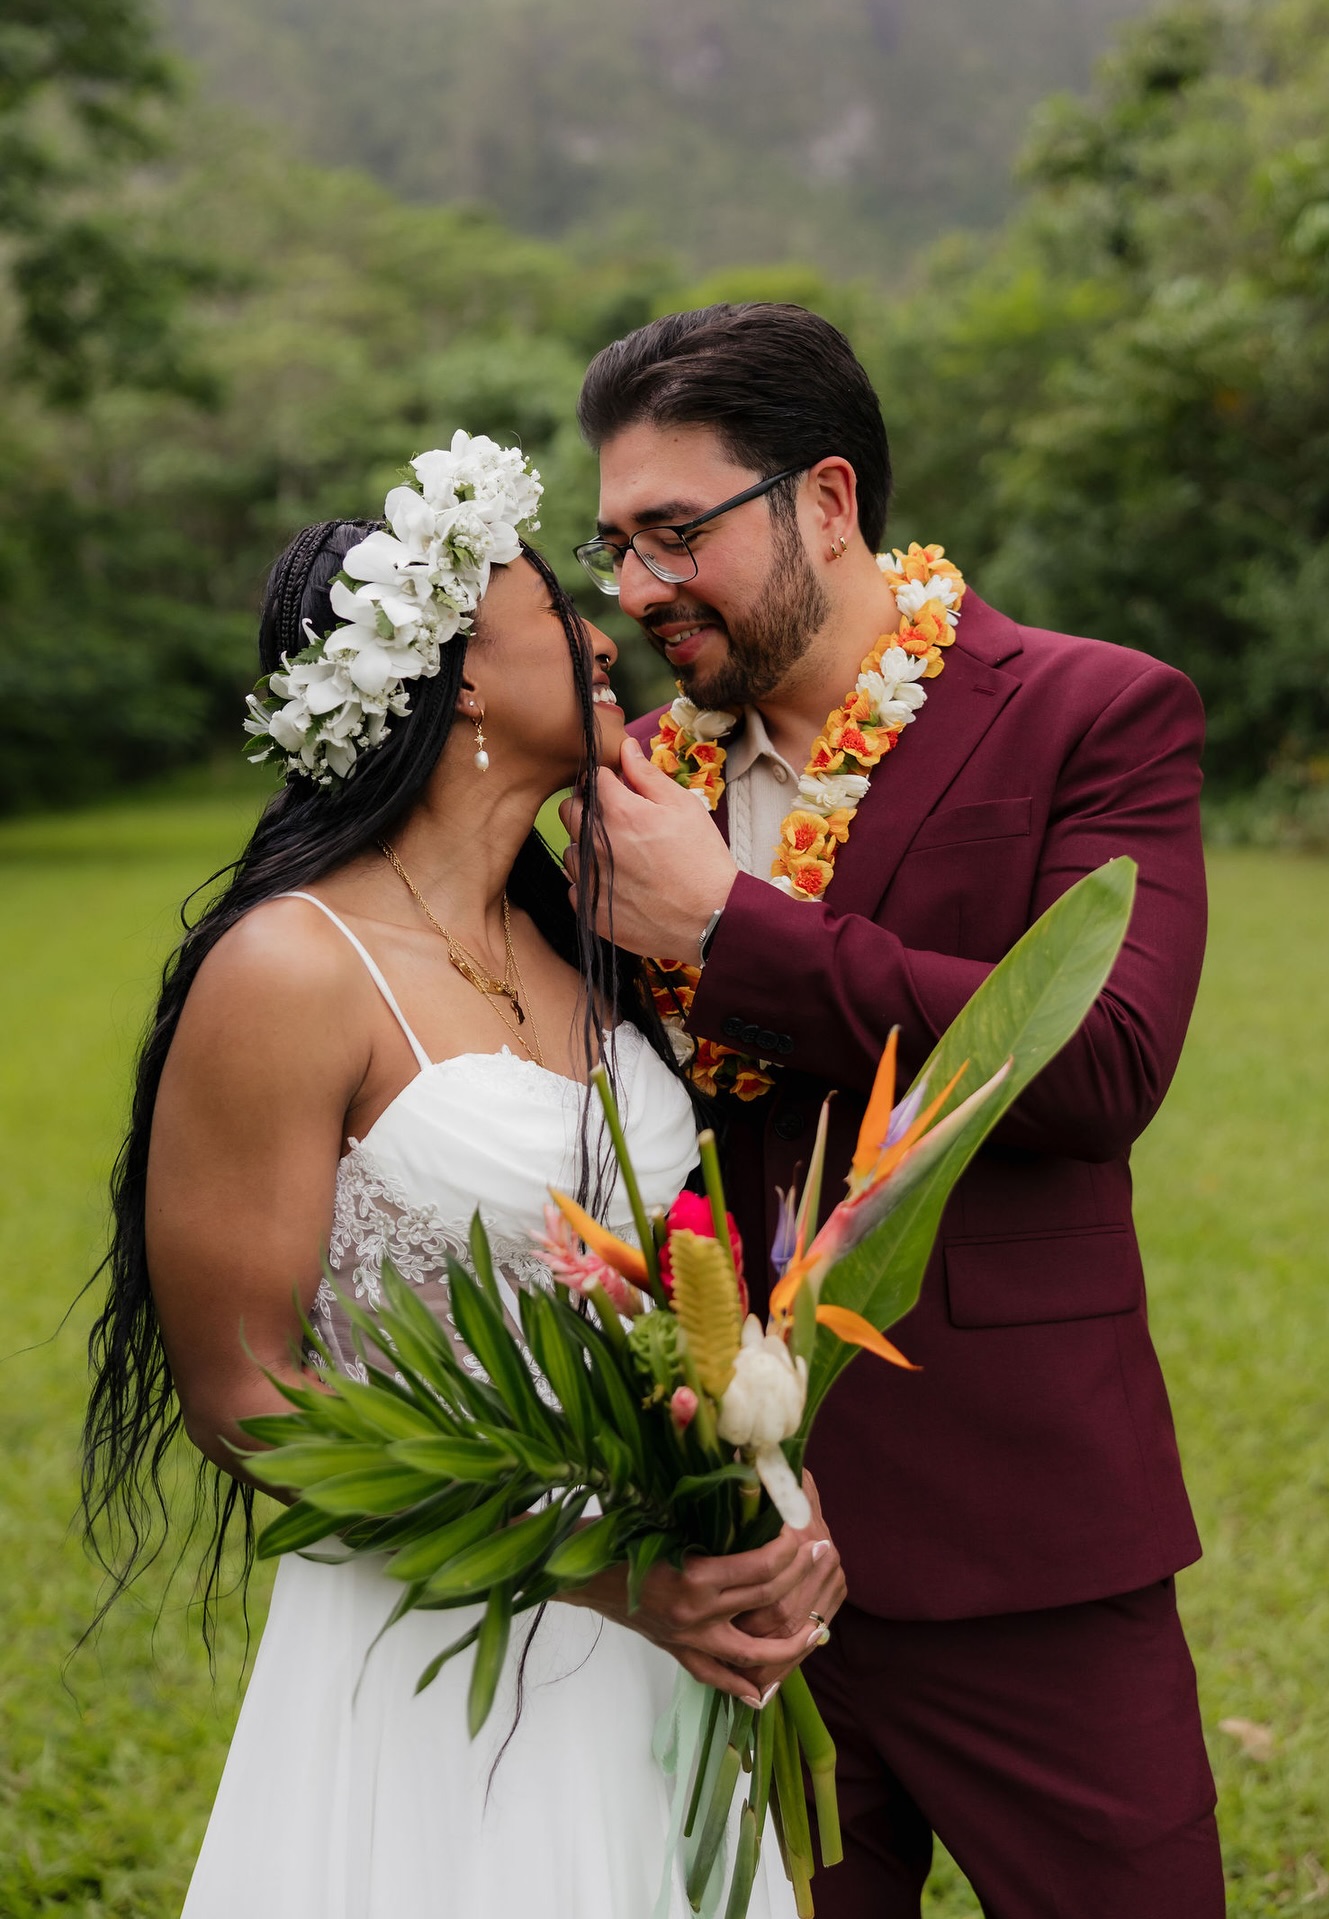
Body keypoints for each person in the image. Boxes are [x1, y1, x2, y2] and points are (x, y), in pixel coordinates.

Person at [80, 432, 843, 1918]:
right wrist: (606, 1583)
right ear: (465, 677)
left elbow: (676, 1288)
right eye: (558, 607)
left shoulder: (588, 950)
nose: (609, 626)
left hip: (663, 1638)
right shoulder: (293, 969)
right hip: (447, 1644)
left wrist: (756, 1492)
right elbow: (247, 1404)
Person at [560, 304, 1227, 1917]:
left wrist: (732, 929)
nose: (641, 590)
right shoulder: (635, 780)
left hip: (1023, 1537)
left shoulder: (1096, 713)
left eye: (675, 534)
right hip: (728, 1561)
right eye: (615, 548)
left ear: (830, 500)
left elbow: (1097, 1067)